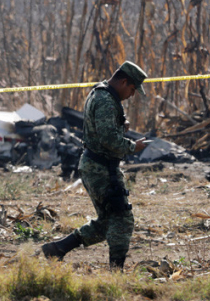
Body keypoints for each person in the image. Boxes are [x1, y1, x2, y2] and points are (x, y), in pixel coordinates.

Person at [41, 61, 150, 270]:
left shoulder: (100, 92)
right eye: (132, 89)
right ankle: (116, 273)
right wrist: (132, 146)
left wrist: (120, 124)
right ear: (124, 81)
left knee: (107, 222)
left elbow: (103, 128)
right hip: (102, 168)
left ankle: (58, 249)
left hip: (97, 165)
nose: (132, 94)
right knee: (122, 219)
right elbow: (108, 138)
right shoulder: (107, 100)